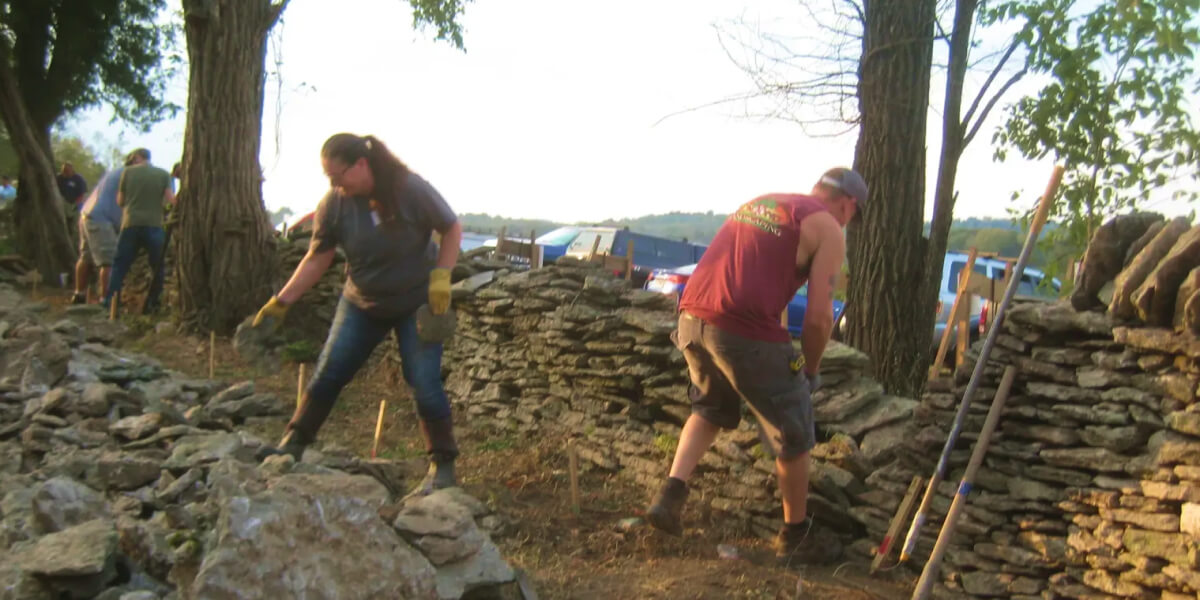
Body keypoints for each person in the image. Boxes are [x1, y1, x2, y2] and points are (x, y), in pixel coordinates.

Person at [644, 167, 867, 567]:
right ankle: (795, 536)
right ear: (847, 203)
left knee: (709, 408)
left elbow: (760, 281)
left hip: (692, 318)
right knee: (794, 428)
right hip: (739, 327)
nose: (849, 223)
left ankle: (669, 496)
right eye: (853, 214)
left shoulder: (766, 204)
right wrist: (810, 371)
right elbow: (818, 319)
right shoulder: (829, 228)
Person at [253, 133, 464, 497]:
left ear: (362, 165)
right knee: (330, 370)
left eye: (338, 176)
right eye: (329, 179)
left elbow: (451, 227)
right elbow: (318, 256)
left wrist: (441, 278)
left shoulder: (409, 189)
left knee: (424, 380)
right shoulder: (334, 205)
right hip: (361, 302)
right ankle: (293, 443)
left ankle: (442, 467)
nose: (334, 185)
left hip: (415, 301)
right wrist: (282, 302)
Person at [104, 149, 175, 313]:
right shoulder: (163, 174)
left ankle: (111, 304)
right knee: (157, 266)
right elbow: (170, 200)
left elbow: (120, 201)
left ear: (138, 157)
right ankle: (153, 304)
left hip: (130, 224)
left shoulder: (127, 173)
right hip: (154, 225)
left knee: (120, 265)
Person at [71, 159, 129, 304]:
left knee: (85, 257)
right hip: (101, 218)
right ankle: (106, 300)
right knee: (109, 260)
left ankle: (79, 294)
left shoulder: (114, 173)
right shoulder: (127, 174)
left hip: (87, 213)